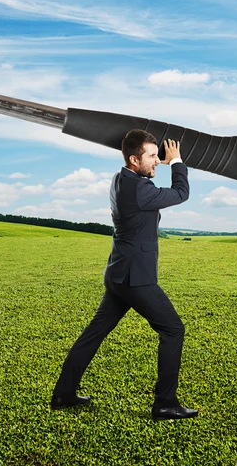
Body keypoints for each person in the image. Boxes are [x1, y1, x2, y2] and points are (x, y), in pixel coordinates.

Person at [51, 129, 198, 421]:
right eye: (153, 156)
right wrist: (178, 162)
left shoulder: (122, 179)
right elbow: (182, 193)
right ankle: (165, 404)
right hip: (136, 279)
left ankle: (63, 394)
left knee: (93, 334)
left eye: (160, 155)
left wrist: (159, 161)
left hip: (118, 274)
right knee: (173, 330)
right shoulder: (140, 190)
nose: (159, 160)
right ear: (134, 159)